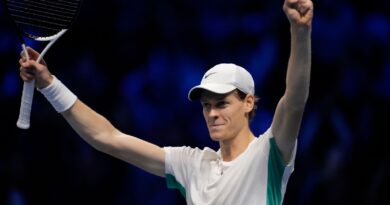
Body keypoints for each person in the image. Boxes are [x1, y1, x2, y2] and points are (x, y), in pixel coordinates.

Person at [19, 0, 313, 204]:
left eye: (222, 104)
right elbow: (107, 137)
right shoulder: (192, 165)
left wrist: (300, 32)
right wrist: (49, 84)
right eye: (206, 105)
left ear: (248, 103)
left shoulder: (268, 154)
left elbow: (295, 101)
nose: (211, 113)